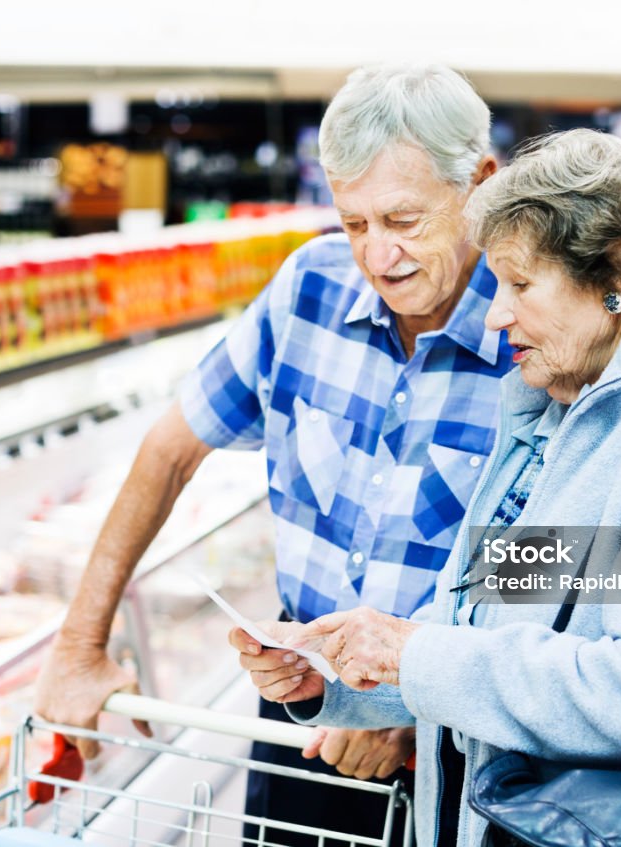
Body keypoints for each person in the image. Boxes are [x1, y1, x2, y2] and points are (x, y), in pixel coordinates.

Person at [235, 129, 621, 847]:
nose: (494, 313)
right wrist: (341, 674)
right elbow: (495, 618)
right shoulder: (553, 408)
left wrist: (412, 654)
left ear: (616, 274)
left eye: (519, 283)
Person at [34, 63, 513, 845]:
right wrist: (79, 645)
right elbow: (167, 451)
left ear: (481, 185)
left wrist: (425, 698)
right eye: (355, 223)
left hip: (456, 745)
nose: (378, 256)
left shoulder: (534, 329)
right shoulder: (308, 290)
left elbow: (583, 574)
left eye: (403, 219)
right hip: (303, 710)